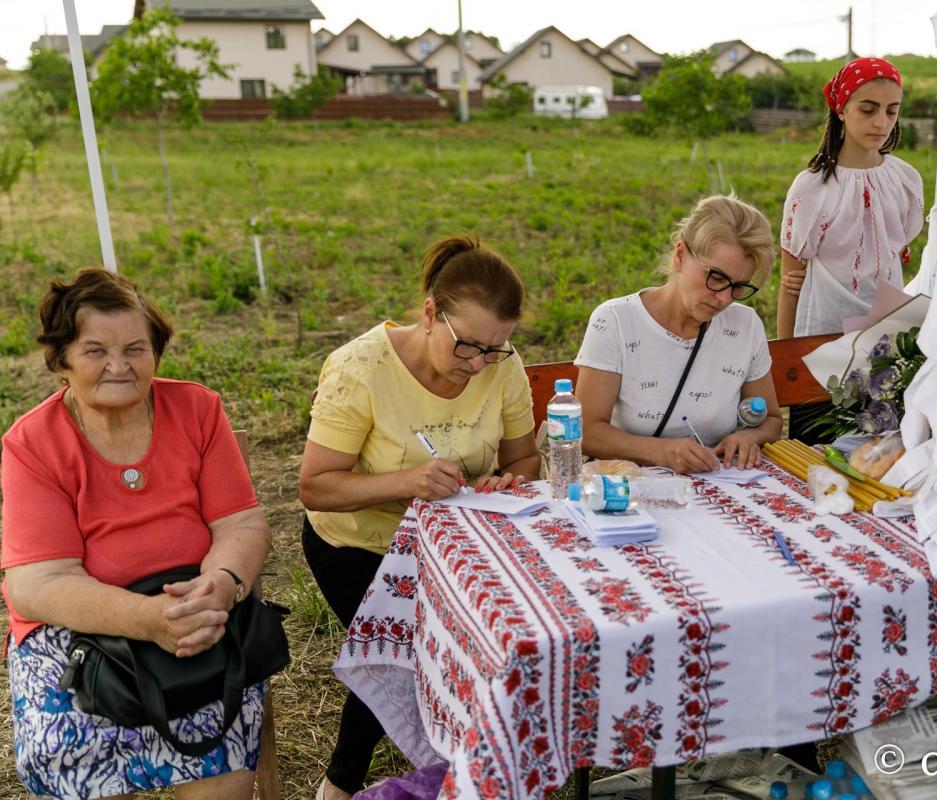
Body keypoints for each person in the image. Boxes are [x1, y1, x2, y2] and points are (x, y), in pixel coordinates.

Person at [1, 268, 272, 799]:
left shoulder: (196, 409)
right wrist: (147, 621)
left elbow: (241, 523)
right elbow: (37, 583)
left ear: (156, 351)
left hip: (194, 615)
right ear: (61, 362)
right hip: (77, 635)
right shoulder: (32, 443)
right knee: (77, 765)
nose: (119, 366)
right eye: (95, 351)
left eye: (135, 348)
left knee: (227, 781)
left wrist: (221, 584)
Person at [299, 235, 539, 800]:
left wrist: (506, 483)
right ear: (430, 314)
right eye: (467, 347)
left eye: (495, 349)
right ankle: (340, 785)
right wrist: (409, 482)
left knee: (472, 648)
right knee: (401, 651)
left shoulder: (500, 367)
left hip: (456, 545)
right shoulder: (361, 369)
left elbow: (524, 460)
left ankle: (463, 773)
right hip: (357, 546)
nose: (478, 363)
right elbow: (315, 487)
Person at [574, 195, 784, 474]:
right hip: (628, 486)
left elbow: (771, 420)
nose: (723, 299)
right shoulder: (616, 321)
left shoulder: (745, 326)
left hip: (718, 486)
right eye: (717, 277)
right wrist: (662, 452)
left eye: (739, 287)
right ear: (681, 255)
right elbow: (586, 432)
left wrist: (749, 436)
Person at [776, 57, 925, 339]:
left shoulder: (905, 180)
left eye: (891, 112)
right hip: (824, 331)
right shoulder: (812, 187)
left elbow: (895, 249)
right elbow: (789, 282)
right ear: (842, 109)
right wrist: (785, 361)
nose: (881, 123)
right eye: (868, 110)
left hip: (888, 331)